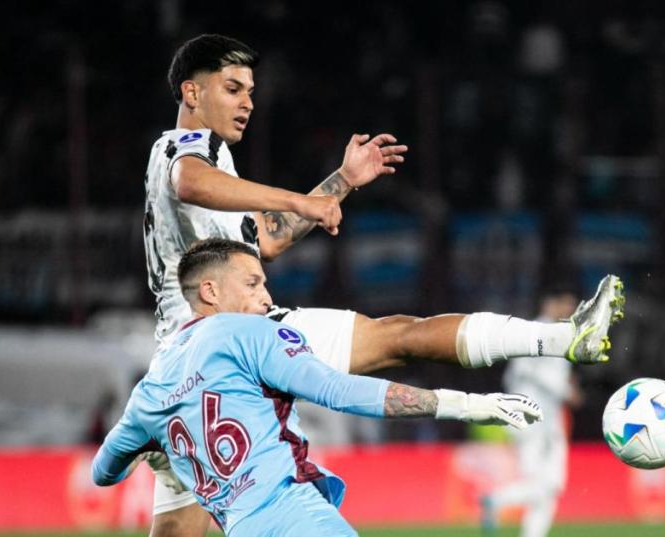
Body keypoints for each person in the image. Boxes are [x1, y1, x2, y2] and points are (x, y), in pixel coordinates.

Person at [142, 33, 626, 534]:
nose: (247, 102)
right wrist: (296, 199)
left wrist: (341, 182)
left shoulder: (215, 165)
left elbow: (267, 237)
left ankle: (565, 338)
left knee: (178, 528)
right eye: (232, 88)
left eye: (250, 91)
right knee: (398, 337)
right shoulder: (183, 149)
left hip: (196, 364)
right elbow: (190, 181)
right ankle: (564, 337)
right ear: (192, 92)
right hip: (226, 349)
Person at [92, 238, 544, 536]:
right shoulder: (246, 332)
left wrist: (154, 454)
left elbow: (103, 472)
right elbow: (338, 391)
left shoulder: (149, 392)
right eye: (252, 283)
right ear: (210, 292)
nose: (267, 297)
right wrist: (465, 404)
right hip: (295, 518)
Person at [480, 290, 584, 537]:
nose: (569, 311)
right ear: (549, 303)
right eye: (565, 304)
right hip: (528, 421)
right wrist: (566, 390)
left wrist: (565, 387)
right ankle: (496, 500)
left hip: (550, 422)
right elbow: (525, 370)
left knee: (553, 486)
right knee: (541, 484)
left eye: (572, 306)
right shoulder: (532, 332)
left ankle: (498, 502)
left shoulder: (561, 334)